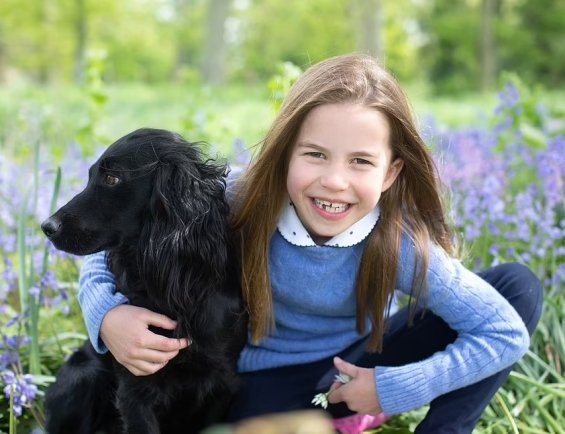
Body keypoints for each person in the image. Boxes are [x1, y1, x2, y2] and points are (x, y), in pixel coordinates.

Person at [77, 54, 543, 433]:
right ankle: (335, 420)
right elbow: (112, 236)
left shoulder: (396, 242)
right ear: (285, 154)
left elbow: (504, 333)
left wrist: (394, 386)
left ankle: (407, 422)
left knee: (517, 287)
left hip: (356, 364)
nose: (334, 181)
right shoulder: (242, 200)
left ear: (391, 173)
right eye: (315, 154)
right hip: (261, 384)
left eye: (361, 161)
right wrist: (107, 316)